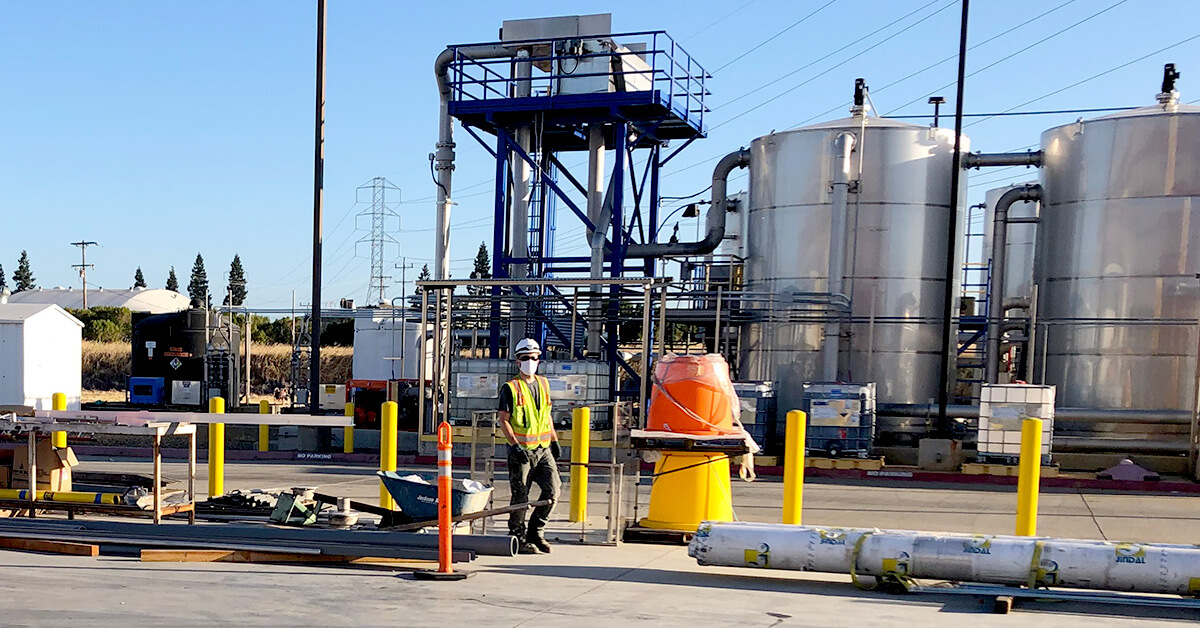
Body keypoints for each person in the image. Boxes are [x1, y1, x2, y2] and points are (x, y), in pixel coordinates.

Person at [497, 338, 561, 554]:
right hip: (521, 452)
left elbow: (547, 415)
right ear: (517, 361)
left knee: (553, 490)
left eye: (534, 358)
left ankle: (536, 532)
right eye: (525, 358)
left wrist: (554, 439)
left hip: (542, 450)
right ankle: (517, 535)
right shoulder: (511, 388)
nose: (530, 362)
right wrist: (515, 445)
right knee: (520, 495)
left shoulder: (543, 384)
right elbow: (503, 420)